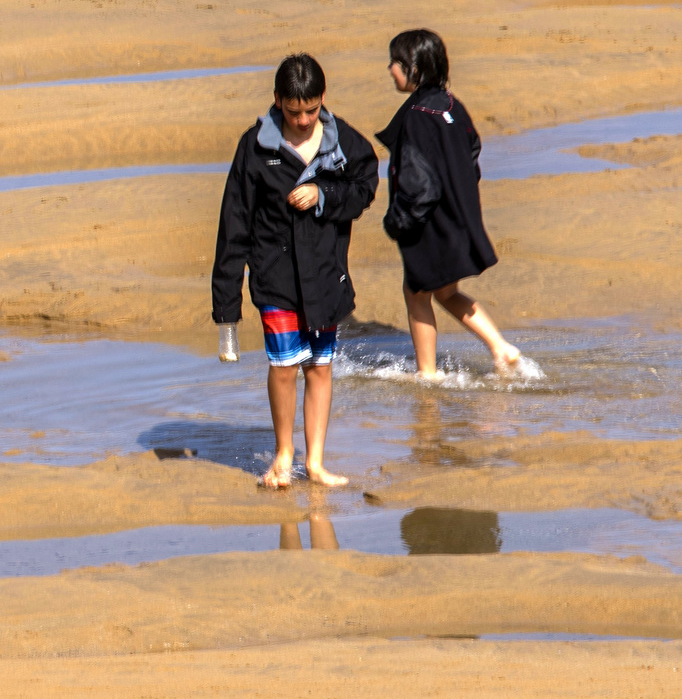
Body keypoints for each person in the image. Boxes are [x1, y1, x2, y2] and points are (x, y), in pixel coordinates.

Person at [212, 53, 380, 489]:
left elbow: (364, 186)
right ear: (277, 102)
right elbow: (233, 225)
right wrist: (227, 314)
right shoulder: (255, 146)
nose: (303, 120)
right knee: (284, 367)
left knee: (320, 367)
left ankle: (317, 462)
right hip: (275, 280)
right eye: (293, 111)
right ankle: (284, 455)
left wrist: (323, 195)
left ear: (322, 99)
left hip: (325, 278)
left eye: (310, 110)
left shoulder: (343, 143)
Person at [377, 29, 523, 379]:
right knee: (445, 291)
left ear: (413, 68)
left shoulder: (415, 116)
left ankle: (427, 372)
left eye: (394, 63)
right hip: (458, 216)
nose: (389, 69)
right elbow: (472, 154)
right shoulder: (452, 104)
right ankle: (500, 347)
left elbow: (418, 185)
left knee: (417, 291)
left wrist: (397, 221)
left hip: (429, 224)